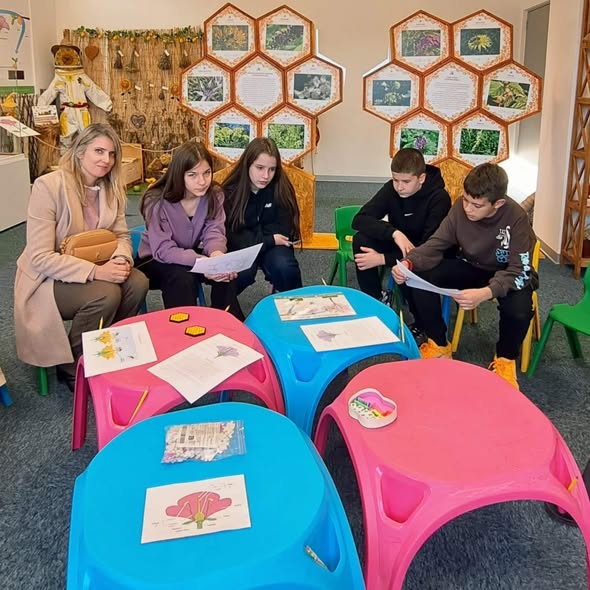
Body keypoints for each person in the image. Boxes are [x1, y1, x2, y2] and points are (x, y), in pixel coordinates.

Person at [14, 123, 148, 391]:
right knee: (105, 294)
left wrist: (121, 260)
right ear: (79, 152)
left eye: (111, 154)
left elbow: (121, 236)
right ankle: (74, 361)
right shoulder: (48, 186)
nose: (106, 160)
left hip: (98, 264)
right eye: (99, 151)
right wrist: (97, 272)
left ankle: (107, 348)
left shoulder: (111, 187)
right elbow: (40, 257)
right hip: (47, 278)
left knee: (137, 282)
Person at [392, 163, 538, 389]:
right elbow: (437, 242)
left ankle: (505, 360)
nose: (468, 209)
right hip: (473, 266)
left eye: (477, 205)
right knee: (418, 276)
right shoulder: (460, 208)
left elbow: (520, 270)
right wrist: (409, 262)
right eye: (466, 200)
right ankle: (439, 344)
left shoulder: (516, 217)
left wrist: (485, 293)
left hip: (510, 274)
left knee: (519, 310)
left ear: (498, 203)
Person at [137, 140, 243, 319]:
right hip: (154, 259)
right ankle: (185, 328)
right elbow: (163, 250)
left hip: (189, 255)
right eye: (192, 175)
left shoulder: (214, 194)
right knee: (182, 277)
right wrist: (202, 263)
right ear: (179, 174)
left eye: (207, 173)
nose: (202, 181)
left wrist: (216, 256)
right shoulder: (156, 200)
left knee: (224, 271)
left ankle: (226, 322)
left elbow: (214, 231)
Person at [352, 147, 451, 300]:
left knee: (413, 277)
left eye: (406, 181)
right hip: (401, 245)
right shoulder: (391, 189)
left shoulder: (439, 198)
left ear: (421, 178)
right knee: (361, 239)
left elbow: (428, 249)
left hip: (426, 252)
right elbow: (360, 219)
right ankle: (375, 299)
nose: (399, 187)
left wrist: (382, 259)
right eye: (395, 180)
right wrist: (395, 233)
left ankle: (411, 305)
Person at [222, 137, 303, 295]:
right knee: (238, 274)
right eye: (259, 168)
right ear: (247, 164)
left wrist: (260, 239)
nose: (266, 175)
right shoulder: (231, 191)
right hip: (243, 248)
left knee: (285, 267)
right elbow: (233, 237)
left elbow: (284, 230)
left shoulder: (282, 187)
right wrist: (269, 239)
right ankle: (222, 307)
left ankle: (296, 306)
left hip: (273, 248)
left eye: (272, 169)